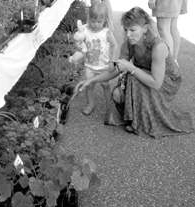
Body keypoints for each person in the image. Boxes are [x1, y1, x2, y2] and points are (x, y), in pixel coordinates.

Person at [75, 6, 194, 138]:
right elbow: (116, 69)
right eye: (125, 30)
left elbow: (156, 84)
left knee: (131, 78)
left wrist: (131, 68)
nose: (128, 35)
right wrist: (90, 80)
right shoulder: (128, 44)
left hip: (167, 80)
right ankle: (137, 114)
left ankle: (141, 121)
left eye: (132, 30)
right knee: (117, 94)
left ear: (145, 28)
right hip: (145, 73)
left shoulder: (158, 47)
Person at [75, 0, 118, 116]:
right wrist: (79, 45)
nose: (96, 24)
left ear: (105, 20)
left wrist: (112, 61)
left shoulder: (107, 33)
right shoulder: (85, 30)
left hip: (104, 66)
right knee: (89, 85)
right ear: (89, 18)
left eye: (99, 21)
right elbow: (80, 42)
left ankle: (110, 106)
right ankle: (90, 104)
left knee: (106, 86)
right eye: (93, 21)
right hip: (90, 65)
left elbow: (115, 46)